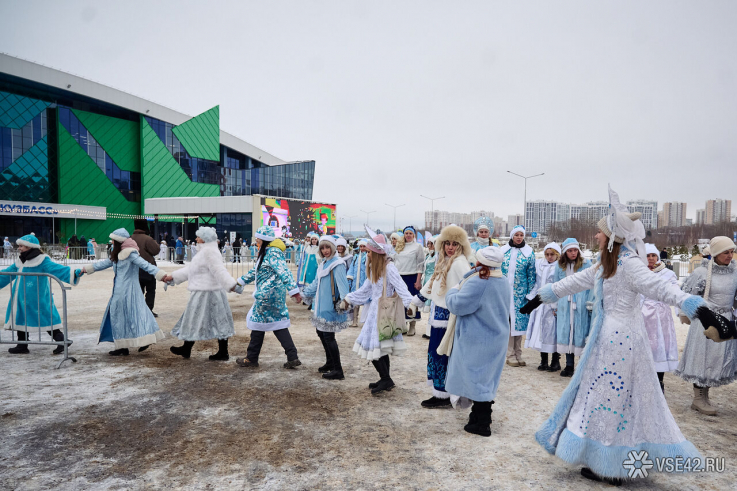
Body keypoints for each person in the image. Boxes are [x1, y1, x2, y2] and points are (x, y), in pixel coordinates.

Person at [521, 186, 728, 484]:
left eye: (600, 233)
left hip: (620, 343)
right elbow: (577, 280)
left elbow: (661, 287)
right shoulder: (608, 263)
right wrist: (542, 297)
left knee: (611, 400)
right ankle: (609, 459)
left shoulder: (629, 264)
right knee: (614, 400)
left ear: (613, 237)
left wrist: (697, 307)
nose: (595, 236)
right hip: (608, 341)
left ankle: (611, 464)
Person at [444, 246, 511, 436]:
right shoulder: (502, 279)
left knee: (477, 378)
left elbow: (457, 305)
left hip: (478, 338)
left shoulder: (480, 281)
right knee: (486, 378)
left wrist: (453, 290)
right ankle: (478, 416)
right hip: (496, 336)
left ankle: (482, 422)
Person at [341, 231, 414, 394]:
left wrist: (410, 304)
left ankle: (386, 379)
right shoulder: (375, 269)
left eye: (368, 252)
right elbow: (366, 290)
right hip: (375, 311)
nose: (366, 255)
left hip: (385, 313)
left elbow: (402, 287)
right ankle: (385, 378)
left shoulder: (389, 268)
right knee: (378, 347)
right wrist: (349, 299)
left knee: (375, 347)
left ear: (376, 253)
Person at [409, 225, 472, 408]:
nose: (450, 247)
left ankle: (444, 394)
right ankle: (439, 391)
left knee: (443, 353)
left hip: (449, 316)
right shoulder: (443, 261)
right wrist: (417, 300)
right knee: (435, 352)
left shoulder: (460, 263)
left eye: (454, 244)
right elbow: (433, 282)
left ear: (460, 246)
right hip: (438, 314)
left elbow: (467, 286)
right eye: (447, 244)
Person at [78, 228, 167, 356]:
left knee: (136, 314)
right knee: (120, 316)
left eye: (113, 240)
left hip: (129, 291)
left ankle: (144, 338)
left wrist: (161, 275)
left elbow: (145, 265)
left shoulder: (130, 254)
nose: (112, 242)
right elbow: (104, 263)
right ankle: (122, 346)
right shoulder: (117, 254)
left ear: (119, 241)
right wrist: (86, 269)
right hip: (119, 291)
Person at [675, 236, 737, 415]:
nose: (730, 255)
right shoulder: (702, 273)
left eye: (732, 251)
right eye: (726, 252)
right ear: (716, 253)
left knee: (714, 360)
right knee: (702, 357)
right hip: (706, 320)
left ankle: (705, 395)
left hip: (725, 320)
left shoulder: (734, 272)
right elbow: (687, 295)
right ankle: (698, 398)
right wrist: (688, 314)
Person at [164, 227, 237, 361]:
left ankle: (221, 351)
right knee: (200, 319)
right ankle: (189, 348)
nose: (196, 239)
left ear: (204, 239)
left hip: (208, 292)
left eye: (198, 237)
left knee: (207, 319)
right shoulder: (205, 252)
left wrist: (231, 284)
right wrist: (173, 277)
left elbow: (219, 270)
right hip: (205, 291)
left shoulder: (209, 252)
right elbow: (191, 270)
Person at [235, 226, 303, 369]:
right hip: (272, 295)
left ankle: (252, 358)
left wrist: (294, 291)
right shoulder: (267, 252)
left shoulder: (272, 253)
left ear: (264, 239)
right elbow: (255, 271)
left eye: (258, 239)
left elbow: (284, 272)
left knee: (258, 325)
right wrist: (240, 281)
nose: (256, 241)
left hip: (267, 295)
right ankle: (292, 356)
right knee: (278, 324)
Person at [3, 234, 79, 355]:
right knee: (21, 316)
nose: (19, 248)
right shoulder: (21, 259)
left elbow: (56, 269)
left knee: (45, 317)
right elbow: (8, 272)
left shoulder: (42, 259)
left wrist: (74, 273)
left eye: (21, 246)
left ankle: (61, 340)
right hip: (20, 297)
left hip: (36, 297)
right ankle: (22, 344)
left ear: (29, 247)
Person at [302, 235, 350, 380]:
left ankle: (338, 369)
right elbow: (316, 283)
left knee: (329, 337)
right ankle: (330, 363)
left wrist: (344, 302)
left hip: (330, 306)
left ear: (333, 248)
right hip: (320, 306)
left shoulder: (338, 264)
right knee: (321, 333)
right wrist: (303, 295)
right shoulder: (323, 263)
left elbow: (343, 285)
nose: (325, 250)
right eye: (322, 248)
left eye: (327, 247)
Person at [641, 243, 679, 393]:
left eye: (653, 255)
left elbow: (675, 292)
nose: (650, 259)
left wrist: (680, 309)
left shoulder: (667, 274)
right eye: (647, 256)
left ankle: (659, 382)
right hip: (642, 315)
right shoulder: (638, 272)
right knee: (644, 348)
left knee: (659, 347)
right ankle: (643, 381)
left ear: (657, 256)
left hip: (660, 315)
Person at [553, 238, 593, 377]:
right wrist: (555, 305)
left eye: (575, 250)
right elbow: (556, 285)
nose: (573, 253)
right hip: (565, 303)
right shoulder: (560, 266)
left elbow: (592, 283)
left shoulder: (587, 264)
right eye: (570, 250)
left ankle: (583, 367)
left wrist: (590, 301)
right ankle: (569, 366)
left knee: (581, 333)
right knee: (567, 333)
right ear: (565, 252)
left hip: (581, 303)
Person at [501, 225, 537, 367]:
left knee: (519, 324)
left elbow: (532, 275)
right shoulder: (503, 251)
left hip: (520, 296)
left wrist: (530, 294)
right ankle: (510, 354)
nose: (519, 237)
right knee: (509, 324)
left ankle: (518, 353)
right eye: (516, 235)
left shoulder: (528, 253)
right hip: (504, 294)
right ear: (512, 236)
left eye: (521, 235)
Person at [524, 242, 561, 371]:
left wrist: (557, 304)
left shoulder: (560, 267)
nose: (549, 257)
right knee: (541, 332)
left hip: (553, 304)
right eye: (547, 254)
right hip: (540, 304)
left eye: (552, 254)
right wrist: (531, 299)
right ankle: (543, 360)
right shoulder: (540, 265)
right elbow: (537, 284)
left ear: (557, 255)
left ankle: (555, 361)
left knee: (553, 333)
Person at [395, 226, 425, 336]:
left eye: (410, 233)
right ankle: (403, 325)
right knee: (400, 303)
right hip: (400, 277)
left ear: (414, 235)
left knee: (412, 302)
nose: (408, 235)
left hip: (412, 277)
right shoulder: (399, 247)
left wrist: (418, 281)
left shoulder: (418, 247)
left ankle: (412, 326)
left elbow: (420, 265)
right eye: (406, 233)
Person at [132, 220, 162, 318]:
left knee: (138, 290)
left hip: (134, 269)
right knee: (150, 290)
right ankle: (148, 310)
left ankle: (138, 310)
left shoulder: (130, 239)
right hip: (148, 269)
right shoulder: (147, 239)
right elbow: (156, 250)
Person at [346, 239, 369, 327]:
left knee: (366, 302)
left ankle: (366, 321)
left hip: (365, 282)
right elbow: (351, 269)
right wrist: (350, 279)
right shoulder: (355, 257)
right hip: (356, 282)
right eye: (361, 246)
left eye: (364, 246)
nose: (362, 248)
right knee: (355, 302)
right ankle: (354, 320)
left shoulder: (368, 256)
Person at [421, 233, 437, 338]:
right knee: (430, 308)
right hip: (426, 281)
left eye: (431, 243)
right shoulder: (428, 255)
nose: (429, 245)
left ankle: (430, 331)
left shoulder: (437, 255)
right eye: (429, 243)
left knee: (433, 307)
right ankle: (428, 331)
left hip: (433, 282)